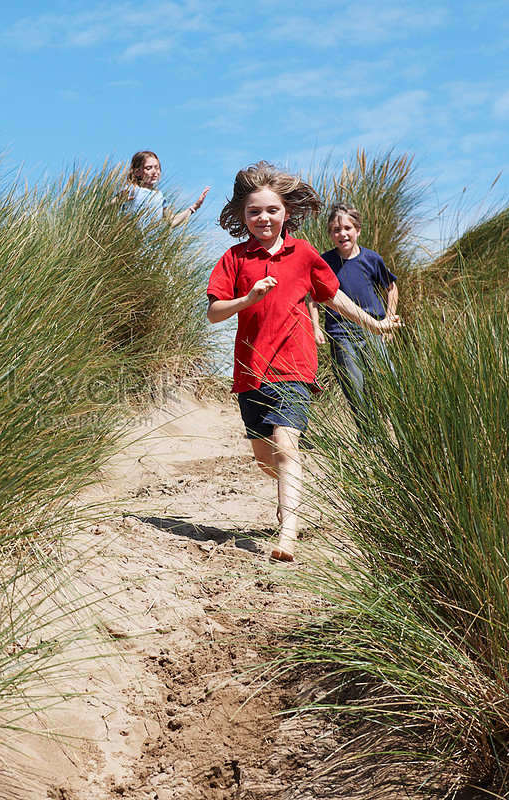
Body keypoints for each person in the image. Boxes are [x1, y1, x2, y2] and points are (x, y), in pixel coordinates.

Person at [206, 163, 401, 562]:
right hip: (249, 369)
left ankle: (288, 533)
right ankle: (287, 491)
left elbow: (334, 296)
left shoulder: (304, 253)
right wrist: (247, 300)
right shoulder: (234, 258)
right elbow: (214, 312)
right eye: (254, 212)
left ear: (287, 213)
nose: (264, 218)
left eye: (272, 211)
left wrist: (375, 324)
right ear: (243, 216)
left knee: (286, 441)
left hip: (294, 364)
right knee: (265, 457)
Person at [313, 203, 399, 441]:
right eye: (335, 230)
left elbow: (391, 288)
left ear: (358, 230)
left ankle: (397, 426)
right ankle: (369, 434)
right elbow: (314, 297)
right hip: (340, 332)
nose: (342, 234)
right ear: (331, 234)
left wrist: (389, 319)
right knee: (353, 384)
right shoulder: (325, 262)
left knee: (385, 380)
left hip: (373, 329)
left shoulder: (372, 259)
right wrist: (315, 326)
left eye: (347, 228)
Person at [121, 150, 210, 227]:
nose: (154, 172)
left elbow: (171, 221)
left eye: (157, 168)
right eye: (148, 168)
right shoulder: (132, 189)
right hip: (132, 244)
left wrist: (195, 206)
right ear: (137, 172)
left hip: (153, 246)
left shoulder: (159, 196)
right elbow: (109, 208)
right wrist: (117, 202)